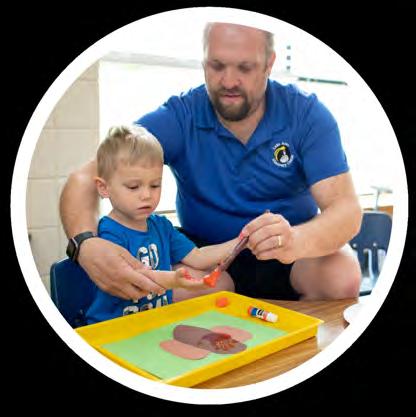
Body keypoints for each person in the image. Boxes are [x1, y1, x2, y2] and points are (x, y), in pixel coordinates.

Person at [60, 22, 362, 303]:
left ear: (269, 64)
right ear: (204, 62)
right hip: (203, 256)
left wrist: (294, 240)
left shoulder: (306, 114)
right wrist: (85, 244)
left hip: (290, 254)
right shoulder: (180, 116)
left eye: (245, 67)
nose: (229, 81)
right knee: (171, 283)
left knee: (341, 275)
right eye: (217, 66)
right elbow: (85, 179)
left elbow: (346, 210)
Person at [85, 125, 241, 323]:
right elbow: (137, 279)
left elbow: (199, 257)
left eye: (155, 185)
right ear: (104, 188)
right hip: (113, 326)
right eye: (133, 187)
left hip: (153, 322)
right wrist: (174, 280)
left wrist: (242, 239)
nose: (146, 195)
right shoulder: (108, 233)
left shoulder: (161, 226)